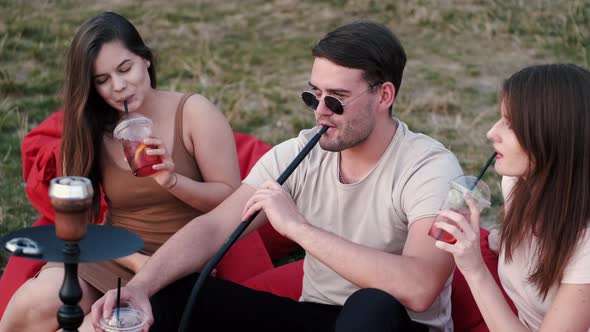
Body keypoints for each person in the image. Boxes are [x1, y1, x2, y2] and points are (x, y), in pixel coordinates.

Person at [92, 20, 463, 332]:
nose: (320, 112)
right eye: (312, 95)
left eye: (335, 99)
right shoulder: (299, 153)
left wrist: (298, 229)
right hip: (318, 316)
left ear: (383, 96)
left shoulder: (428, 166)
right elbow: (214, 228)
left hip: (394, 323)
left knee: (371, 306)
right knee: (171, 293)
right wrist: (140, 287)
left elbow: (419, 287)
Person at [0, 11, 241, 332]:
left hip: (179, 264)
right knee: (37, 302)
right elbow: (76, 220)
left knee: (92, 329)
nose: (119, 87)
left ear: (146, 61)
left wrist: (173, 181)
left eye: (125, 69)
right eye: (102, 80)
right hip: (115, 253)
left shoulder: (194, 113)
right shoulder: (91, 127)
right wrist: (133, 259)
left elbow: (233, 204)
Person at [433, 63, 590, 331]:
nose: (491, 133)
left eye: (510, 125)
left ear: (552, 138)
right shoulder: (518, 182)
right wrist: (497, 239)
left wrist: (475, 269)